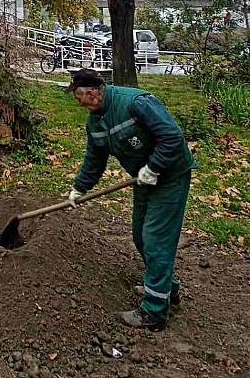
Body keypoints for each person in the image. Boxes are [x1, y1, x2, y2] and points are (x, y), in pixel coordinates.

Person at [66, 68, 197, 330]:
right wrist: (79, 188)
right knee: (139, 235)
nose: (78, 103)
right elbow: (94, 159)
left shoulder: (136, 103)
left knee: (155, 239)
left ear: (91, 93)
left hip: (169, 174)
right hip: (144, 178)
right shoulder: (95, 121)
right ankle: (166, 288)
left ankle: (154, 311)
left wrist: (155, 167)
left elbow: (172, 137)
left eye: (79, 97)